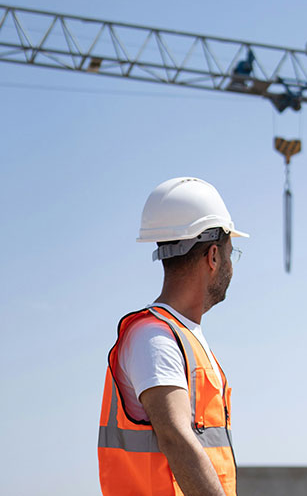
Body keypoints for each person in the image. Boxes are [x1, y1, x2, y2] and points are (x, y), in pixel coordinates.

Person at [98, 177, 248, 496]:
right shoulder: (155, 337)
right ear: (213, 257)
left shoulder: (181, 336)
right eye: (231, 254)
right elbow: (175, 437)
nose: (232, 268)